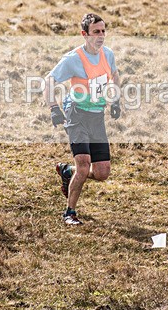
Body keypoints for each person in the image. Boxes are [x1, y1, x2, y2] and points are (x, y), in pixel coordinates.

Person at [44, 13, 121, 225]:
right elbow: (48, 81)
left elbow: (114, 75)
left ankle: (67, 171)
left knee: (102, 172)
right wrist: (54, 108)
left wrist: (116, 100)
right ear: (84, 34)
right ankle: (69, 213)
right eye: (96, 32)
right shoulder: (73, 59)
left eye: (103, 31)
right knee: (84, 166)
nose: (101, 35)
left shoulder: (108, 54)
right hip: (76, 113)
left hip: (97, 115)